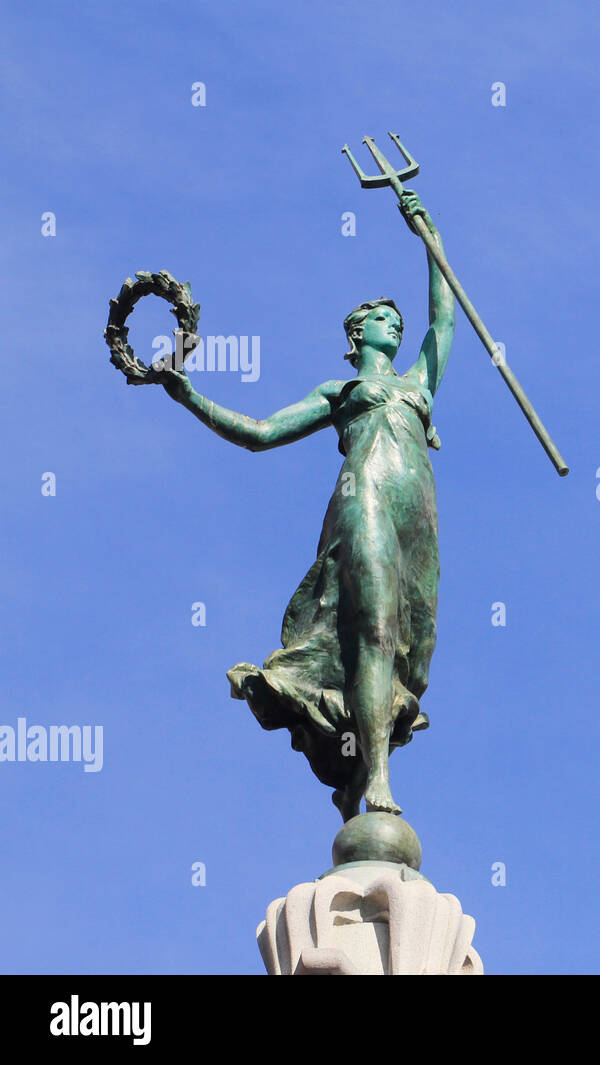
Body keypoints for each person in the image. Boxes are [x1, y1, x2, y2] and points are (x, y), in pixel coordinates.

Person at [153, 191, 452, 820]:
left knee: (411, 656)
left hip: (416, 521)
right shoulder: (342, 390)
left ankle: (357, 762)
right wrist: (187, 394)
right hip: (363, 499)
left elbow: (443, 321)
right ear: (356, 333)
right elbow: (261, 433)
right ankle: (377, 779)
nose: (394, 324)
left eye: (398, 320)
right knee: (372, 631)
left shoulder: (418, 385)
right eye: (380, 318)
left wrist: (430, 237)